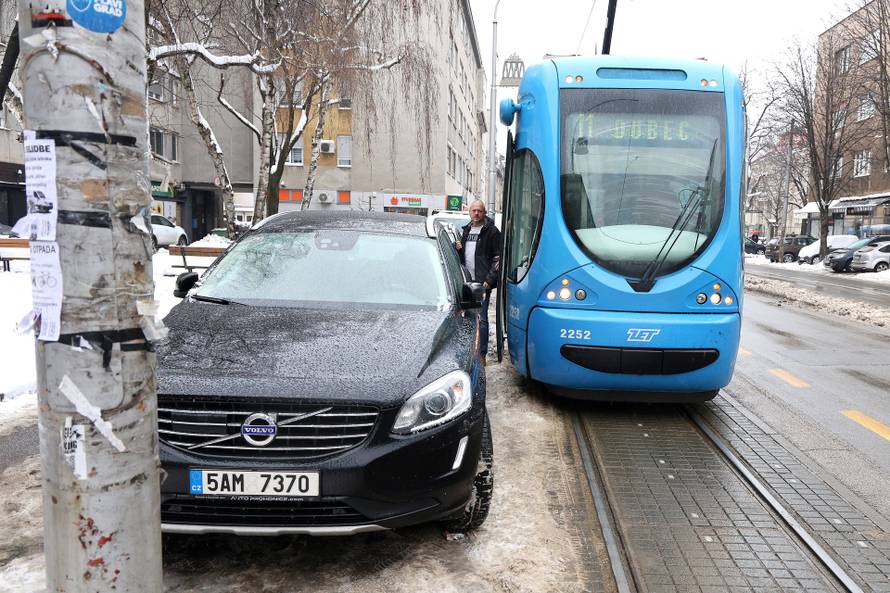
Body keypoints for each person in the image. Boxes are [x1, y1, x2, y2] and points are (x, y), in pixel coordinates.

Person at [455, 200, 502, 365]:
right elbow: (465, 257)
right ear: (470, 212)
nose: (476, 213)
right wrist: (459, 249)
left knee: (481, 318)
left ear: (484, 213)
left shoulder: (492, 232)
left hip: (482, 283)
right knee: (467, 317)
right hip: (467, 281)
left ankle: (481, 355)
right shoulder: (466, 230)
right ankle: (469, 352)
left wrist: (489, 281)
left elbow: (498, 258)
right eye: (474, 210)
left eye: (479, 211)